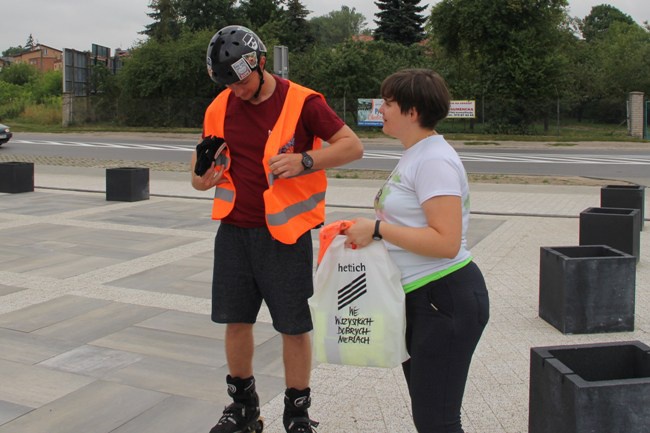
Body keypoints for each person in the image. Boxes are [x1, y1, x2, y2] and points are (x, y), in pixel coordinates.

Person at [191, 25, 363, 433]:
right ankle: (243, 408)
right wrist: (203, 179)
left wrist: (306, 161)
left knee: (293, 326)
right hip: (233, 232)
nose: (235, 90)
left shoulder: (303, 101)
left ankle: (297, 413)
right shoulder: (219, 107)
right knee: (235, 321)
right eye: (227, 83)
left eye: (241, 81)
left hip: (285, 237)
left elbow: (352, 145)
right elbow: (199, 178)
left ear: (260, 63)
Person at [343, 68, 490, 433]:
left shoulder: (433, 160)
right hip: (425, 298)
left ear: (412, 111)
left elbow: (445, 241)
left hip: (445, 297)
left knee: (437, 420)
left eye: (388, 103)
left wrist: (377, 229)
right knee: (430, 415)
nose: (381, 110)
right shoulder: (416, 154)